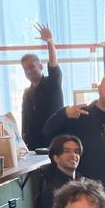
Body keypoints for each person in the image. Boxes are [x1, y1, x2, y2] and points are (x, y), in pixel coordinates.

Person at [44, 73, 105, 196]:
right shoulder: (80, 115)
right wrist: (64, 113)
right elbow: (48, 131)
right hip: (86, 192)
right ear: (99, 88)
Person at [19, 23, 64, 151]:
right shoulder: (27, 93)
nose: (29, 71)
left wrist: (49, 42)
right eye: (25, 69)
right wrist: (22, 138)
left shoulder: (52, 83)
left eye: (32, 67)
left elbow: (54, 65)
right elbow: (25, 118)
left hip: (53, 144)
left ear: (41, 66)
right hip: (33, 147)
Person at [34, 133, 82, 208]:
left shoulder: (81, 180)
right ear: (56, 158)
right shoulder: (52, 191)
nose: (73, 155)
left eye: (76, 151)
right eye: (67, 151)